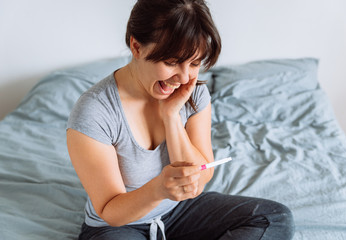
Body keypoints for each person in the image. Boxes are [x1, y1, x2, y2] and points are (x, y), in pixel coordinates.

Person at [66, 0, 295, 239]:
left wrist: (171, 117)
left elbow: (200, 179)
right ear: (136, 47)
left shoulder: (193, 93)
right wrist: (158, 190)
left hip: (180, 211)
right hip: (119, 226)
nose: (184, 78)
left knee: (274, 218)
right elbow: (109, 211)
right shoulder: (94, 112)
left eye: (195, 63)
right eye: (172, 62)